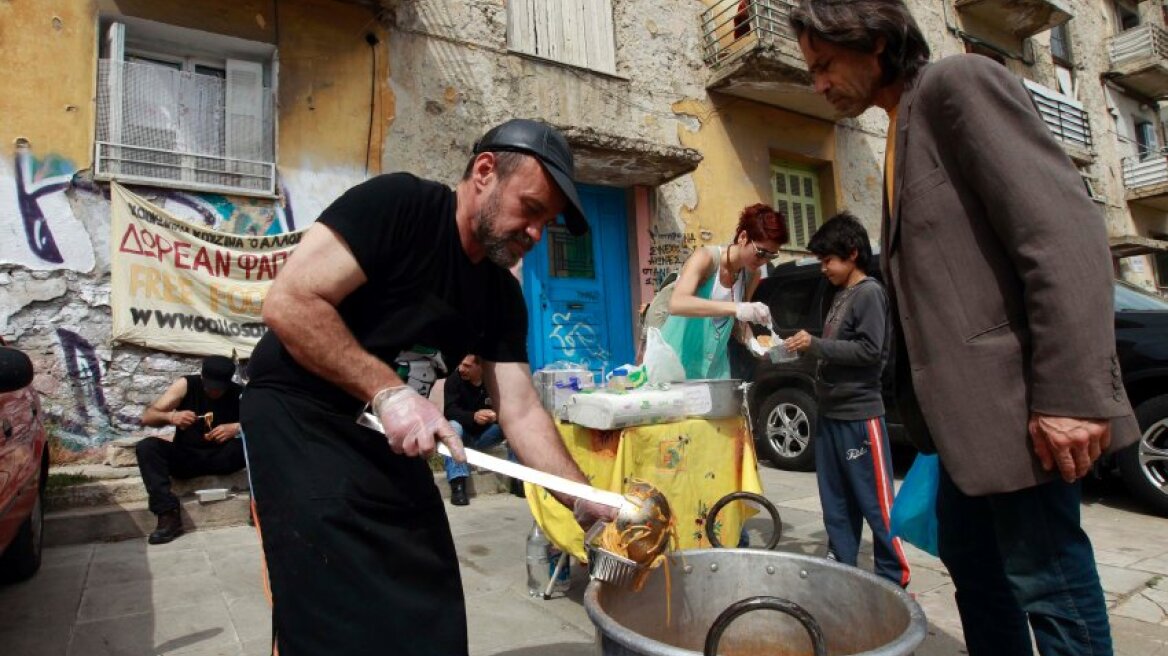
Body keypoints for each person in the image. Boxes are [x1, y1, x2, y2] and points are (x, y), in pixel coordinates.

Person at [789, 1, 1140, 653]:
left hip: (1020, 416)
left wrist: (1070, 396)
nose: (817, 84)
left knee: (1052, 588)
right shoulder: (898, 128)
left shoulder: (956, 86)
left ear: (873, 44)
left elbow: (1063, 234)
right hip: (960, 436)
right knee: (980, 581)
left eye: (824, 65)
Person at [240, 118, 617, 656]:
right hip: (298, 415)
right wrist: (389, 392)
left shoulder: (499, 295)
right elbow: (289, 303)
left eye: (546, 222)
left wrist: (584, 500)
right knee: (332, 595)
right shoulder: (401, 205)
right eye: (531, 209)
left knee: (428, 588)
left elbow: (521, 411)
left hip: (386, 436)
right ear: (484, 172)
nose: (535, 233)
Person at [785, 212, 909, 587]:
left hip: (859, 415)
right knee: (835, 500)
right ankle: (841, 563)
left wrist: (817, 344)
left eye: (828, 261)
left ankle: (893, 575)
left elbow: (871, 352)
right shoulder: (841, 295)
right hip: (831, 413)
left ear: (852, 254)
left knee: (875, 502)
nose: (824, 269)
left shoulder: (870, 292)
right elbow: (838, 349)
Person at [661, 203, 788, 381]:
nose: (764, 261)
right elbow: (677, 303)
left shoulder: (752, 274)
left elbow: (737, 323)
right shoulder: (705, 258)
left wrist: (753, 343)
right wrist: (737, 307)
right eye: (761, 252)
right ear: (743, 237)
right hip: (676, 363)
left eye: (771, 256)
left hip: (714, 370)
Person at [137, 355, 243, 545]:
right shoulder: (186, 385)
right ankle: (167, 514)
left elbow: (265, 423)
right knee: (147, 447)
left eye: (219, 388)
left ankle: (260, 505)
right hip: (187, 456)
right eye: (210, 387)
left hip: (224, 456)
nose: (214, 392)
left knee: (257, 443)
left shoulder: (239, 393)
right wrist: (172, 417)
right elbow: (147, 417)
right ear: (202, 378)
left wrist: (236, 428)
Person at [442, 353, 510, 506]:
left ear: (481, 367)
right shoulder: (454, 380)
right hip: (462, 434)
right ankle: (458, 485)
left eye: (467, 366)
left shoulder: (494, 382)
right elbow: (449, 411)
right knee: (452, 426)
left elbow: (510, 409)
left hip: (486, 435)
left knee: (512, 426)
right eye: (461, 364)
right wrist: (473, 416)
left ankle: (519, 480)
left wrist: (496, 416)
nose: (461, 369)